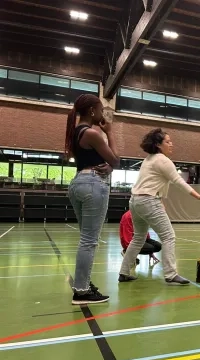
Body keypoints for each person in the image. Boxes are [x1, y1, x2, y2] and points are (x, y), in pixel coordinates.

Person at [118, 128, 200, 284]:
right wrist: (198, 196)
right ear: (158, 144)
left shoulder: (149, 159)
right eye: (168, 142)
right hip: (148, 201)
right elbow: (178, 181)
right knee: (168, 236)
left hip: (135, 201)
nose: (171, 144)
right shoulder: (163, 160)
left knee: (138, 238)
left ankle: (123, 272)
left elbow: (152, 183)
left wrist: (160, 201)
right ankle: (170, 274)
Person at [65, 94, 120, 305]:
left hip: (78, 182)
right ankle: (81, 290)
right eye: (100, 110)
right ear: (91, 111)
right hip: (93, 185)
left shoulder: (77, 132)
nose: (102, 114)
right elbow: (115, 159)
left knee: (85, 239)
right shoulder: (92, 133)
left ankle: (83, 283)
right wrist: (109, 133)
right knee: (89, 241)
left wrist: (107, 164)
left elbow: (100, 160)